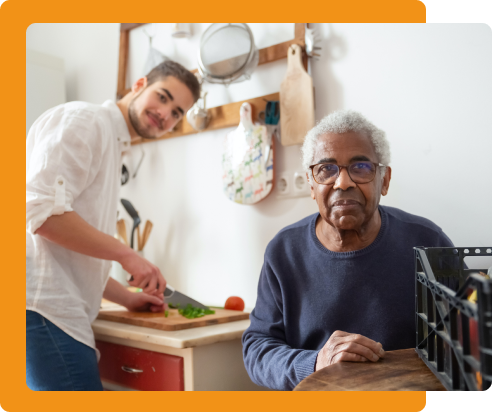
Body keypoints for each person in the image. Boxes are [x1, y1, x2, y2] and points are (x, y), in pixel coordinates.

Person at [242, 110, 455, 391]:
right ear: (311, 183)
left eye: (361, 168)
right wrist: (317, 362)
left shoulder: (429, 242)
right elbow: (258, 349)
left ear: (385, 180)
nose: (343, 183)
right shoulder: (284, 251)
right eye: (326, 169)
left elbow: (467, 340)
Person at [26, 61, 200, 390]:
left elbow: (69, 251)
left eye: (177, 112)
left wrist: (126, 297)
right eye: (162, 97)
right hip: (43, 310)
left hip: (53, 313)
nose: (166, 114)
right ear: (138, 85)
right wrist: (126, 254)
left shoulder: (111, 140)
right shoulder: (86, 120)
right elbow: (40, 212)